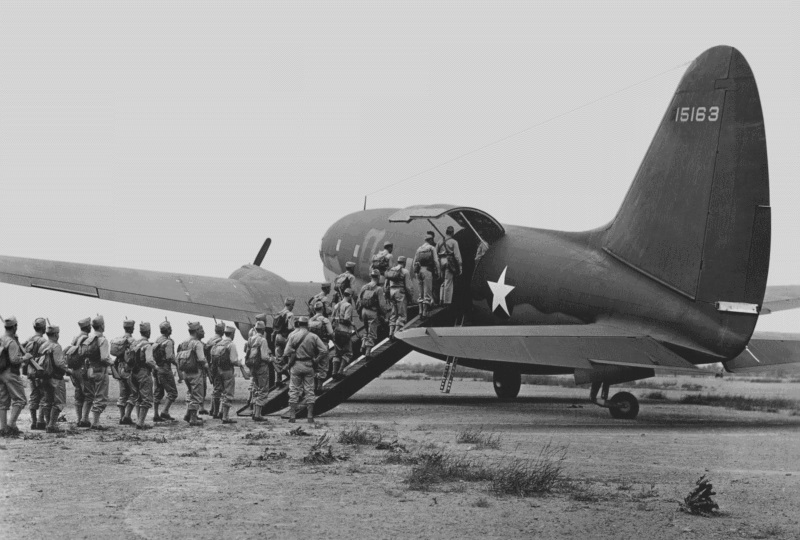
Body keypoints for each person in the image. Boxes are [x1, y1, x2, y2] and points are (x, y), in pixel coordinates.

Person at [281, 316, 327, 424]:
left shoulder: (293, 336)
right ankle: (310, 416)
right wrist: (316, 360)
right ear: (308, 325)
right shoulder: (313, 336)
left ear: (298, 324)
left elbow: (286, 352)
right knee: (310, 390)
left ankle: (292, 416)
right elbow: (324, 351)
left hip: (296, 365)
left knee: (294, 390)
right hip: (308, 364)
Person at [0, 316, 32, 436]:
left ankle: (2, 428)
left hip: (1, 373)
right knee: (20, 399)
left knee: (3, 402)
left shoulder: (2, 339)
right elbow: (14, 360)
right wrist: (25, 358)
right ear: (14, 327)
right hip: (11, 373)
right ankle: (11, 425)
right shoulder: (12, 342)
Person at [38, 323, 70, 433]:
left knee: (47, 401)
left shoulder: (43, 346)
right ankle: (52, 424)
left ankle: (48, 424)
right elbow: (59, 363)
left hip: (44, 377)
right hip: (56, 377)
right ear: (56, 334)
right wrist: (68, 369)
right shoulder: (56, 346)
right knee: (59, 402)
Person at [84, 315, 113, 430]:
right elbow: (105, 358)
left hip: (90, 370)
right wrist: (112, 363)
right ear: (101, 326)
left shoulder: (88, 340)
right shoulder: (102, 340)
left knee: (91, 396)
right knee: (101, 397)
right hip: (101, 371)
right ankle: (95, 422)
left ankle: (84, 418)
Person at [176, 321, 208, 426]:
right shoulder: (197, 343)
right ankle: (193, 419)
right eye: (200, 330)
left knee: (190, 392)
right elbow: (202, 359)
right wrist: (208, 366)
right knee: (197, 395)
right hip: (196, 371)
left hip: (186, 372)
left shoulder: (183, 343)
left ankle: (188, 415)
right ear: (196, 331)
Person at [210, 325, 241, 424]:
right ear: (232, 334)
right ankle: (225, 416)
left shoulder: (218, 343)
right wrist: (239, 363)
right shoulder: (231, 344)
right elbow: (233, 360)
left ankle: (218, 412)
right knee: (228, 393)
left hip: (218, 370)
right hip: (227, 370)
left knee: (220, 391)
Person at [129, 322, 157, 429]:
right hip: (144, 372)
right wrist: (156, 368)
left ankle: (139, 420)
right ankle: (140, 422)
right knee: (146, 398)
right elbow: (149, 361)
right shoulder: (147, 345)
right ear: (148, 332)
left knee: (138, 398)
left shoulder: (134, 343)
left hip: (133, 373)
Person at [22, 318, 48, 430]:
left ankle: (33, 422)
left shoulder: (29, 339)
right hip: (40, 371)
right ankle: (41, 421)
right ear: (43, 328)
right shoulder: (43, 341)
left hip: (30, 372)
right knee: (44, 396)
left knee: (33, 396)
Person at [152, 320, 180, 422]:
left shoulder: (157, 341)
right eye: (170, 328)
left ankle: (155, 414)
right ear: (167, 330)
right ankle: (165, 411)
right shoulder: (168, 342)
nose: (171, 329)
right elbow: (169, 357)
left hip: (156, 369)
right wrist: (177, 363)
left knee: (157, 392)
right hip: (165, 369)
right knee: (172, 392)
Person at [110, 319, 136, 425]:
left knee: (123, 393)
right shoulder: (132, 341)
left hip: (119, 367)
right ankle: (127, 416)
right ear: (132, 328)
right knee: (134, 393)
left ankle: (121, 417)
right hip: (128, 368)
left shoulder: (118, 340)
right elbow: (133, 356)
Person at [358, 269, 387, 357]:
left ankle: (362, 345)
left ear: (371, 276)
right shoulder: (379, 289)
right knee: (372, 333)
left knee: (366, 330)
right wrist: (384, 314)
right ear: (378, 277)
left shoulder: (364, 287)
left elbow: (358, 301)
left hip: (364, 312)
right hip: (372, 313)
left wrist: (360, 313)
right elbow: (382, 305)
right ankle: (367, 353)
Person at [69, 318, 92, 427]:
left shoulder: (75, 338)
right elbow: (87, 354)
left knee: (78, 395)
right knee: (89, 394)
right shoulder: (86, 338)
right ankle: (85, 419)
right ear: (88, 327)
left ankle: (78, 419)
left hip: (74, 370)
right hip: (83, 369)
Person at [247, 320, 271, 422]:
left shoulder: (250, 339)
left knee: (256, 388)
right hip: (262, 367)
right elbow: (264, 356)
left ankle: (254, 412)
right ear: (263, 330)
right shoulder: (263, 340)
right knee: (263, 389)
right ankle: (258, 414)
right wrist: (271, 359)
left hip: (253, 367)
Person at [385, 255, 414, 337]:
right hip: (400, 293)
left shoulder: (392, 270)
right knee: (402, 315)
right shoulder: (405, 272)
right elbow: (408, 287)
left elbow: (385, 285)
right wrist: (410, 297)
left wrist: (387, 295)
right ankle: (395, 334)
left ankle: (390, 332)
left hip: (392, 292)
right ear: (404, 263)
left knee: (393, 314)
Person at [413, 231, 440, 319]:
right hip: (427, 271)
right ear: (431, 240)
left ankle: (420, 311)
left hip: (419, 271)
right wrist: (438, 271)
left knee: (420, 293)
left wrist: (416, 272)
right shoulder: (432, 248)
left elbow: (414, 262)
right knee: (427, 292)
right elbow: (436, 261)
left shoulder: (419, 249)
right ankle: (424, 313)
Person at [309, 301, 334, 393]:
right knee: (323, 365)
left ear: (314, 310)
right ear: (322, 309)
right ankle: (319, 387)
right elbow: (331, 333)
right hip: (323, 345)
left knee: (314, 366)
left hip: (312, 346)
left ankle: (314, 387)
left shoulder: (310, 321)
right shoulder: (325, 320)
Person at [330, 288, 356, 379]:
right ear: (350, 296)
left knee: (337, 353)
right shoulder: (348, 305)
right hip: (344, 332)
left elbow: (332, 319)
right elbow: (346, 319)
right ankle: (340, 371)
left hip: (336, 331)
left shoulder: (336, 305)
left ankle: (334, 372)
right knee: (348, 353)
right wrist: (352, 323)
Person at [437, 225, 462, 306]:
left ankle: (441, 299)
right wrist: (460, 266)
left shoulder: (440, 241)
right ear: (453, 233)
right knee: (448, 281)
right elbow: (457, 256)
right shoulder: (454, 242)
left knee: (443, 281)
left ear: (446, 232)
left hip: (441, 261)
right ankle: (446, 301)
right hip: (449, 261)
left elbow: (435, 252)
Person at [272, 298, 295, 385]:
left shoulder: (278, 313)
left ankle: (278, 380)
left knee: (278, 358)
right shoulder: (290, 314)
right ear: (291, 305)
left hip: (277, 337)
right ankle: (290, 375)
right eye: (293, 305)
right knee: (291, 355)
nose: (293, 307)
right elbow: (290, 328)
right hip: (285, 337)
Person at [205, 321, 225, 419]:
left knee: (215, 388)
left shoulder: (210, 340)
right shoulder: (220, 341)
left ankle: (212, 409)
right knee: (218, 389)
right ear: (222, 331)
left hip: (210, 366)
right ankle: (216, 412)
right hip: (217, 367)